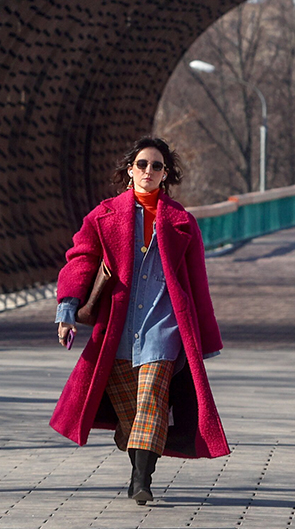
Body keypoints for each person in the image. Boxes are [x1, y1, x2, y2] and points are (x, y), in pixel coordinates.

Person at [51, 136, 229, 506]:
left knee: (150, 402)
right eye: (143, 164)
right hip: (116, 330)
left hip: (163, 328)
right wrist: (66, 312)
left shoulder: (182, 222)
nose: (149, 171)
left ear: (166, 175)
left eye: (158, 166)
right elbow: (80, 261)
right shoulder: (103, 216)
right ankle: (132, 447)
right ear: (129, 170)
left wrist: (204, 338)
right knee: (135, 416)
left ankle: (141, 479)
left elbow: (197, 283)